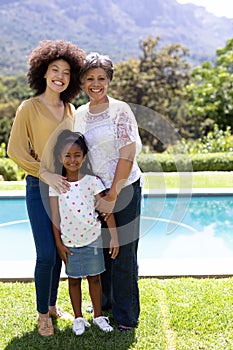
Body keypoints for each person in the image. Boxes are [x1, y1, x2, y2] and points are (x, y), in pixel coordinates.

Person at [7, 40, 85, 337]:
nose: (60, 76)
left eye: (66, 72)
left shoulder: (70, 109)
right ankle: (43, 315)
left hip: (65, 189)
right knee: (46, 254)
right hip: (39, 187)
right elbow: (15, 151)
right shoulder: (29, 107)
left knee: (59, 249)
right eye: (55, 70)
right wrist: (44, 173)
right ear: (43, 72)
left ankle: (52, 305)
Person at [74, 52, 142, 331]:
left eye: (101, 78)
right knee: (103, 253)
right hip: (96, 194)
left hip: (124, 189)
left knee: (124, 254)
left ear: (109, 80)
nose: (95, 83)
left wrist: (112, 194)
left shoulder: (121, 110)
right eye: (89, 78)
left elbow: (127, 155)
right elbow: (78, 153)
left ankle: (126, 316)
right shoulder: (79, 114)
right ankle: (106, 306)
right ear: (82, 83)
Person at [49, 129, 119, 335]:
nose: (72, 160)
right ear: (60, 157)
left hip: (93, 240)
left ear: (84, 157)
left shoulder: (92, 182)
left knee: (95, 278)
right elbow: (55, 217)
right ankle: (78, 318)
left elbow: (105, 210)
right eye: (67, 155)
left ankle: (98, 316)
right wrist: (59, 244)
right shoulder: (57, 185)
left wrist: (114, 237)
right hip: (69, 243)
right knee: (74, 280)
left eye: (77, 155)